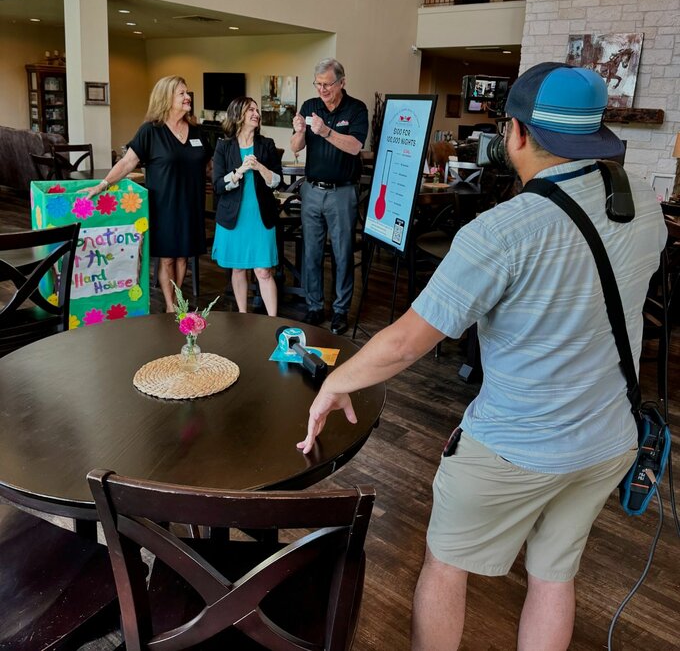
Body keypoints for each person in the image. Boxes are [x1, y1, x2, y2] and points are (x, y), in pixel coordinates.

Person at [296, 62, 666, 651]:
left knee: (446, 565)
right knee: (553, 575)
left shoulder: (503, 230)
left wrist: (335, 381)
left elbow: (406, 342)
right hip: (607, 440)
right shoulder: (642, 206)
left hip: (515, 446)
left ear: (515, 134)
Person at [87, 75, 212, 312]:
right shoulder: (150, 132)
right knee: (167, 257)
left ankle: (178, 299)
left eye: (187, 93)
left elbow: (209, 165)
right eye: (182, 94)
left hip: (190, 205)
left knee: (184, 256)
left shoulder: (197, 132)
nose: (188, 98)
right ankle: (170, 306)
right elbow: (127, 163)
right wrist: (102, 184)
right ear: (166, 98)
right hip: (163, 206)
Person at [291, 58, 368, 335]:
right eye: (319, 84)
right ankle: (314, 306)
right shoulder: (310, 106)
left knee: (342, 253)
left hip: (342, 192)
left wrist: (325, 131)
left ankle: (339, 311)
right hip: (311, 190)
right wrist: (300, 132)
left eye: (328, 84)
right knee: (311, 252)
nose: (322, 89)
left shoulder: (356, 109)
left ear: (342, 82)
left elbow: (355, 146)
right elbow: (296, 147)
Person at [212, 97, 282, 316]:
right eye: (250, 109)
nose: (256, 113)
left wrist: (259, 166)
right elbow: (217, 185)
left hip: (261, 217)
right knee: (238, 267)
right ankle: (243, 316)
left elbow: (277, 181)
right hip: (234, 218)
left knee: (263, 271)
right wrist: (239, 171)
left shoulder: (267, 144)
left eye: (257, 110)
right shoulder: (223, 146)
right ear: (238, 115)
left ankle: (272, 321)